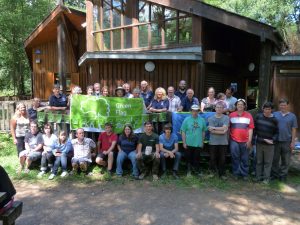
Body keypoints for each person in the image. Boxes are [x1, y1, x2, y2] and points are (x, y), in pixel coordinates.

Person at [271, 98, 298, 182]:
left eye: (284, 105)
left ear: (287, 105)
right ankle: (274, 174)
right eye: (281, 105)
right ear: (279, 106)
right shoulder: (274, 114)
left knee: (285, 159)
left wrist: (293, 142)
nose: (282, 106)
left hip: (287, 141)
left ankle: (283, 175)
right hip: (276, 140)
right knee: (275, 159)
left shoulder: (292, 116)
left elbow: (294, 129)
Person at [229, 99, 254, 180]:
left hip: (245, 141)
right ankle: (236, 173)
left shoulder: (249, 115)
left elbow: (251, 128)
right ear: (236, 106)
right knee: (235, 157)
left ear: (244, 106)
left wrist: (249, 140)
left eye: (241, 104)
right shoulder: (231, 115)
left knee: (245, 158)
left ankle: (244, 174)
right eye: (238, 104)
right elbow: (228, 127)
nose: (240, 106)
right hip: (234, 140)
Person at [254, 102, 278, 184]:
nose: (267, 110)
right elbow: (254, 130)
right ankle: (258, 177)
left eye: (269, 109)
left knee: (268, 162)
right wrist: (253, 140)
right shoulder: (258, 117)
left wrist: (273, 140)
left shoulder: (275, 120)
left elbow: (277, 132)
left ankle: (266, 179)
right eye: (266, 109)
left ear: (272, 110)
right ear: (263, 109)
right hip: (259, 143)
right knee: (259, 161)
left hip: (269, 145)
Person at [181, 105, 207, 177]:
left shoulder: (202, 120)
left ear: (198, 111)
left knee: (197, 158)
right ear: (191, 111)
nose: (195, 112)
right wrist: (184, 142)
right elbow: (183, 131)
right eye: (193, 111)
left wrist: (202, 142)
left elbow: (203, 131)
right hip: (188, 143)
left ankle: (196, 171)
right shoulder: (186, 119)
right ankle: (188, 172)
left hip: (198, 143)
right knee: (188, 158)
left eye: (196, 111)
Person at [207, 102, 229, 179]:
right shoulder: (211, 118)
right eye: (218, 107)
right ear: (215, 108)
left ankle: (222, 174)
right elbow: (211, 131)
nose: (219, 108)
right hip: (213, 142)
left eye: (221, 107)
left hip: (223, 142)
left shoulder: (226, 118)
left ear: (223, 109)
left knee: (222, 159)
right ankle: (212, 172)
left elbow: (225, 131)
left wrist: (214, 128)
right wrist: (221, 130)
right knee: (212, 158)